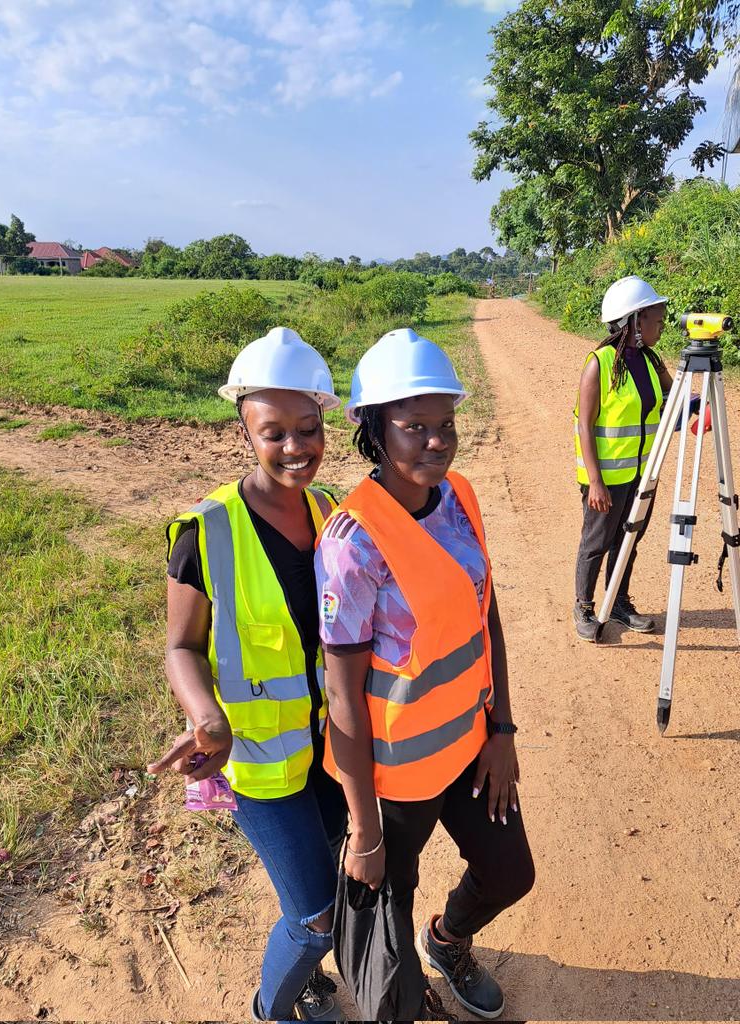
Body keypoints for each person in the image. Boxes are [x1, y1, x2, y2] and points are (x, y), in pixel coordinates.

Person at [315, 328, 535, 1021]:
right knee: (388, 914)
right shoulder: (353, 543)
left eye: (446, 424)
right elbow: (343, 696)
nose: (437, 442)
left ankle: (448, 940)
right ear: (375, 430)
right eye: (414, 427)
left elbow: (484, 617)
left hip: (470, 748)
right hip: (397, 780)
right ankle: (408, 1000)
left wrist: (501, 729)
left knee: (510, 872)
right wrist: (365, 829)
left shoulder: (459, 495)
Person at [147, 327, 348, 1022]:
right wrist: (206, 717)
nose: (295, 447)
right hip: (257, 761)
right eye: (274, 433)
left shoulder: (330, 513)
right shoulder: (205, 532)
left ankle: (301, 976)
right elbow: (181, 646)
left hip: (331, 752)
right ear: (245, 432)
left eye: (308, 429)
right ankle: (273, 1008)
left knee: (322, 880)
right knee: (318, 918)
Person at [573, 275, 673, 642]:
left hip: (643, 475)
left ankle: (617, 602)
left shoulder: (651, 361)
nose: (661, 326)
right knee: (596, 542)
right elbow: (585, 426)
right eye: (656, 320)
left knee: (629, 540)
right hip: (607, 479)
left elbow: (674, 401)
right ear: (635, 320)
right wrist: (595, 482)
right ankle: (584, 606)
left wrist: (698, 408)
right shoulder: (598, 364)